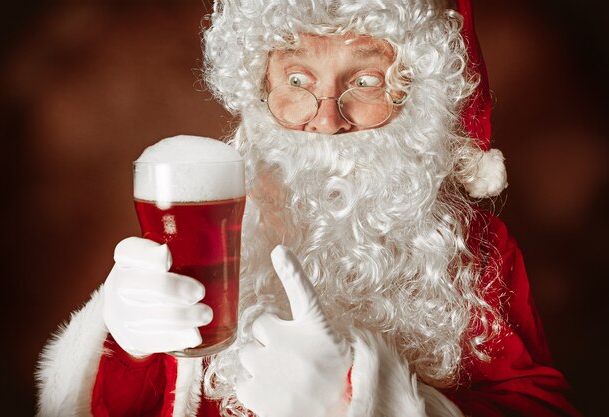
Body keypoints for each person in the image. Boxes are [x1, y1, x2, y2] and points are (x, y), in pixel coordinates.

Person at [35, 0, 581, 416]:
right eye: (297, 81)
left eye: (366, 81)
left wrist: (364, 401)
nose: (325, 120)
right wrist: (125, 353)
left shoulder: (470, 249)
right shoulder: (208, 224)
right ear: (260, 84)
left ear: (418, 94)